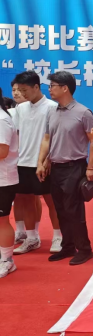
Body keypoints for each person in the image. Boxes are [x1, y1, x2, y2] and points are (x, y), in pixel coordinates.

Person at [37, 71, 93, 266]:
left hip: (75, 167)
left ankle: (84, 249)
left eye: (52, 85)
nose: (49, 89)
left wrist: (90, 167)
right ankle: (68, 246)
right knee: (60, 209)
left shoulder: (83, 113)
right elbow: (47, 138)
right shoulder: (51, 111)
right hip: (55, 168)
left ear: (65, 88)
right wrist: (41, 162)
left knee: (74, 209)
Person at [10, 72, 61, 255]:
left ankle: (58, 236)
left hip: (43, 163)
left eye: (24, 90)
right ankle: (32, 237)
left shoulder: (52, 107)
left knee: (52, 201)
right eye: (18, 90)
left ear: (36, 87)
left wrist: (48, 159)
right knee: (26, 200)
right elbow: (15, 134)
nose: (21, 94)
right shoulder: (20, 108)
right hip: (22, 161)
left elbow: (55, 137)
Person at [0, 87, 20, 278]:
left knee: (2, 221)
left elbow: (2, 152)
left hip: (3, 180)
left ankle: (7, 261)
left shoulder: (2, 120)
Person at [7, 83, 28, 244]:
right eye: (14, 90)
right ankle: (20, 231)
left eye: (20, 90)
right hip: (14, 160)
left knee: (33, 198)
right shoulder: (10, 113)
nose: (16, 93)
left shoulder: (42, 109)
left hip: (31, 159)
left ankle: (35, 233)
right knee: (19, 196)